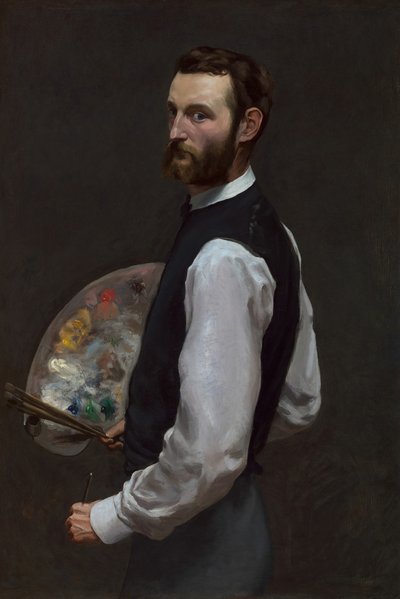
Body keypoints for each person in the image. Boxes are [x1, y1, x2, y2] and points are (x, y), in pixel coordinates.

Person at [65, 46, 321, 599]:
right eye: (173, 112)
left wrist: (115, 515)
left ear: (248, 125)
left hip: (197, 556)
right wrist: (158, 422)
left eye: (199, 115)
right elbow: (299, 401)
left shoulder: (222, 259)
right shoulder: (271, 232)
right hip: (231, 533)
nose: (177, 131)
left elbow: (210, 455)